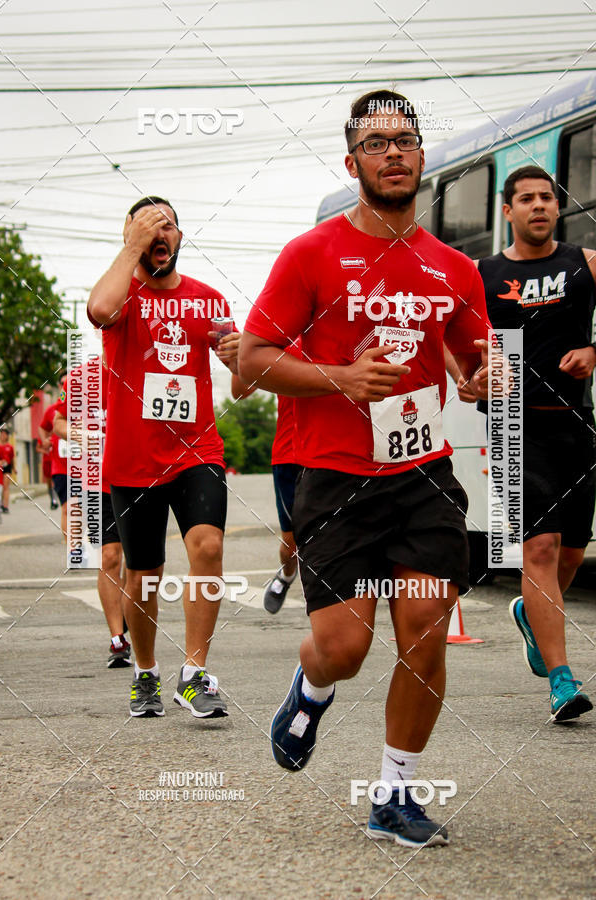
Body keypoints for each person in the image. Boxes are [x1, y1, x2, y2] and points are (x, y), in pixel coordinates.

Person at [239, 90, 492, 848]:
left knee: (422, 626)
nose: (393, 153)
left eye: (405, 141)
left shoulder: (454, 268)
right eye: (376, 143)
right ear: (352, 163)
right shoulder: (309, 254)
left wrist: (483, 377)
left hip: (424, 475)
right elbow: (252, 363)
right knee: (345, 649)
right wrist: (338, 378)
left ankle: (395, 794)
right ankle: (311, 689)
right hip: (334, 473)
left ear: (423, 159)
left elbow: (476, 356)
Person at [88, 195, 246, 720]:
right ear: (130, 237)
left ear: (181, 237)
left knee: (208, 544)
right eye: (146, 228)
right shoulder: (123, 295)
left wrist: (238, 358)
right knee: (144, 574)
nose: (160, 234)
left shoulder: (207, 298)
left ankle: (195, 673)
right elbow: (97, 311)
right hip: (133, 457)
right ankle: (145, 672)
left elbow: (243, 385)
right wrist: (131, 246)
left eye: (169, 227)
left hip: (196, 448)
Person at [477, 165, 595, 722]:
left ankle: (530, 611)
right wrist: (466, 375)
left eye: (547, 198)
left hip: (577, 422)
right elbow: (461, 343)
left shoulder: (585, 263)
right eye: (526, 199)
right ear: (508, 211)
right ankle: (562, 681)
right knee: (539, 549)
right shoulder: (483, 273)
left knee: (572, 553)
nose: (539, 206)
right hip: (511, 424)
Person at [53, 361, 131, 668]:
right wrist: (77, 433)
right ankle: (117, 639)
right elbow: (59, 421)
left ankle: (132, 621)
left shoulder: (141, 367)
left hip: (138, 478)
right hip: (97, 482)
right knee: (110, 555)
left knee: (138, 563)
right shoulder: (81, 376)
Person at [263, 340, 302, 614]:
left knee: (328, 538)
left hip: (331, 453)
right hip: (289, 456)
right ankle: (287, 575)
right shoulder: (282, 344)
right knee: (292, 543)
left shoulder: (341, 337)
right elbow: (239, 389)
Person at [39, 376, 68, 538]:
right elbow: (42, 428)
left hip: (86, 467)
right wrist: (45, 441)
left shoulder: (88, 406)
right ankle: (73, 549)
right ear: (59, 386)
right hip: (61, 467)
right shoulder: (52, 410)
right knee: (68, 508)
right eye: (63, 383)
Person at [0, 429, 15, 513]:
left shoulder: (10, 447)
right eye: (2, 434)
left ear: (7, 436)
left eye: (4, 434)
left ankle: (5, 506)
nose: (3, 436)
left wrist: (14, 468)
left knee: (6, 486)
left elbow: (12, 459)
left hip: (7, 468)